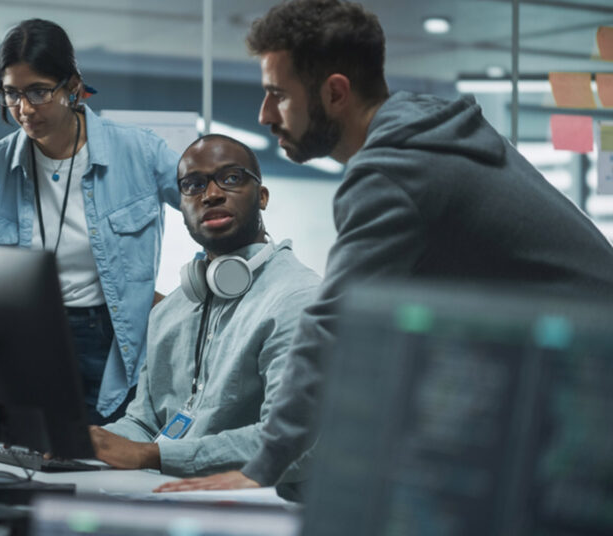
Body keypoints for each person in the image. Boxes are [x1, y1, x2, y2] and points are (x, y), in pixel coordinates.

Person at [157, 0, 613, 493]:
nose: (265, 114)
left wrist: (261, 470)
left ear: (334, 93)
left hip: (586, 394)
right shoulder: (428, 136)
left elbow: (335, 330)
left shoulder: (393, 170)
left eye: (278, 95)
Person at [0, 19, 181, 425]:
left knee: (107, 462)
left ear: (73, 87)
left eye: (39, 91)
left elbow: (215, 212)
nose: (24, 109)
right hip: (28, 339)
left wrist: (190, 300)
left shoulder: (140, 151)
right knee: (34, 458)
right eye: (12, 93)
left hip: (110, 340)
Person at [88, 134, 320, 492]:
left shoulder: (298, 299)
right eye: (193, 185)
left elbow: (293, 443)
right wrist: (88, 443)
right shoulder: (171, 311)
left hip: (256, 510)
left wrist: (153, 456)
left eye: (230, 178)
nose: (210, 194)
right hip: (163, 496)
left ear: (262, 196)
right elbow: (144, 423)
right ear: (181, 206)